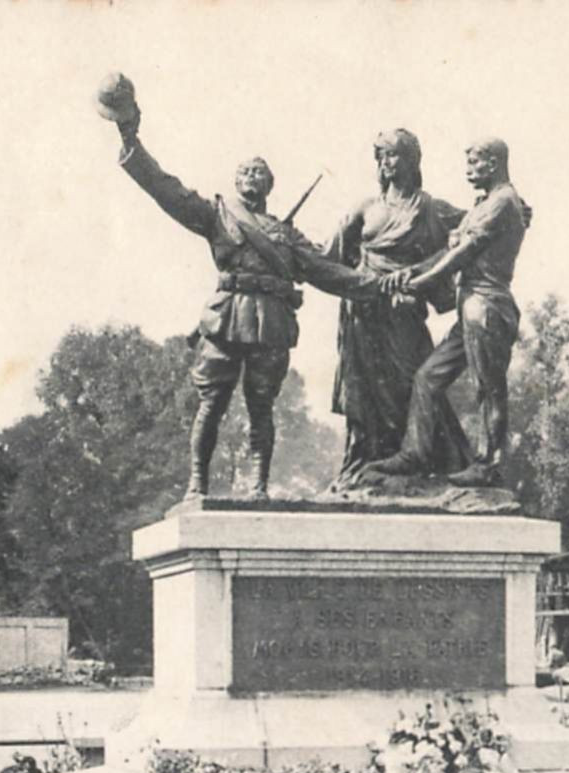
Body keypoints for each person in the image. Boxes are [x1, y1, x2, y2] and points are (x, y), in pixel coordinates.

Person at [99, 74, 384, 498]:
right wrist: (130, 137)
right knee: (211, 404)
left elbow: (329, 272)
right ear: (236, 181)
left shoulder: (287, 236)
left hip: (270, 322)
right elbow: (166, 190)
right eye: (246, 171)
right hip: (226, 317)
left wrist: (382, 283)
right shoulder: (218, 216)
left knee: (262, 408)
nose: (253, 176)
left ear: (270, 185)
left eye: (260, 172)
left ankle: (259, 486)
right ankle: (197, 483)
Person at [368, 137, 528, 488]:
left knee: (489, 389)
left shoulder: (502, 202)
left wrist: (418, 284)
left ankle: (490, 465)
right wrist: (409, 274)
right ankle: (417, 452)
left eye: (474, 162)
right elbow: (445, 250)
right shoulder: (483, 204)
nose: (468, 169)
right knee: (427, 378)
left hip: (487, 307)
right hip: (469, 308)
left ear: (494, 162)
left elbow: (460, 256)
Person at [325, 130, 472, 486]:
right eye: (381, 156)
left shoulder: (432, 208)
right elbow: (329, 257)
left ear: (411, 160)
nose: (386, 163)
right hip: (362, 314)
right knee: (365, 390)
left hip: (404, 311)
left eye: (393, 155)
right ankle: (366, 463)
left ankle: (425, 462)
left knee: (411, 383)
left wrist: (516, 208)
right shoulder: (366, 208)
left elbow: (477, 226)